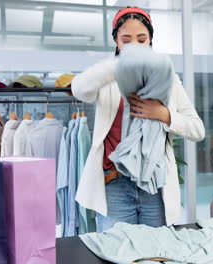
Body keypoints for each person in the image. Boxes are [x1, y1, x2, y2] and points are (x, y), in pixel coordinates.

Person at [72, 7, 205, 232]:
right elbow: (80, 89)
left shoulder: (167, 80)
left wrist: (163, 114)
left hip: (154, 183)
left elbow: (197, 130)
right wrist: (120, 66)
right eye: (127, 40)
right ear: (116, 41)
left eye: (141, 39)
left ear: (150, 39)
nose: (135, 45)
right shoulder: (107, 79)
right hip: (114, 183)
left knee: (156, 251)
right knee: (119, 251)